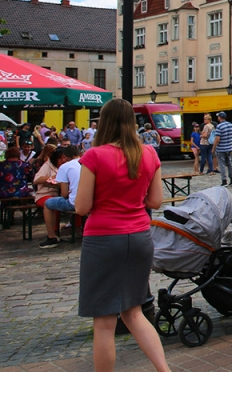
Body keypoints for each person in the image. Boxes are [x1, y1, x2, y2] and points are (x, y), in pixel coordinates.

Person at [75, 98, 169, 372]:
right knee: (134, 312)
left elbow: (82, 207)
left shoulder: (94, 156)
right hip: (139, 236)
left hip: (103, 238)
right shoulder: (149, 153)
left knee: (104, 322)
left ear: (103, 122)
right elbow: (155, 202)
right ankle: (165, 373)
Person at [33, 146, 65, 249]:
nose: (63, 160)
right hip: (44, 194)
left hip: (60, 194)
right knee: (51, 204)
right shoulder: (47, 165)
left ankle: (76, 229)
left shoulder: (66, 166)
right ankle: (52, 234)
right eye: (61, 158)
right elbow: (36, 180)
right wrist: (52, 178)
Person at [45, 144, 82, 220]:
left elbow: (64, 194)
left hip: (74, 203)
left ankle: (52, 232)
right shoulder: (88, 163)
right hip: (91, 201)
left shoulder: (65, 166)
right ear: (80, 154)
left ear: (65, 156)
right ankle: (76, 226)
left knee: (47, 203)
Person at [212, 112, 232, 186]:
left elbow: (217, 138)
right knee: (229, 164)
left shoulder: (219, 126)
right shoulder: (230, 124)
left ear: (219, 117)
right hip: (229, 147)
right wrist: (229, 137)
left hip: (221, 148)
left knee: (222, 165)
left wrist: (213, 148)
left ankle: (224, 180)